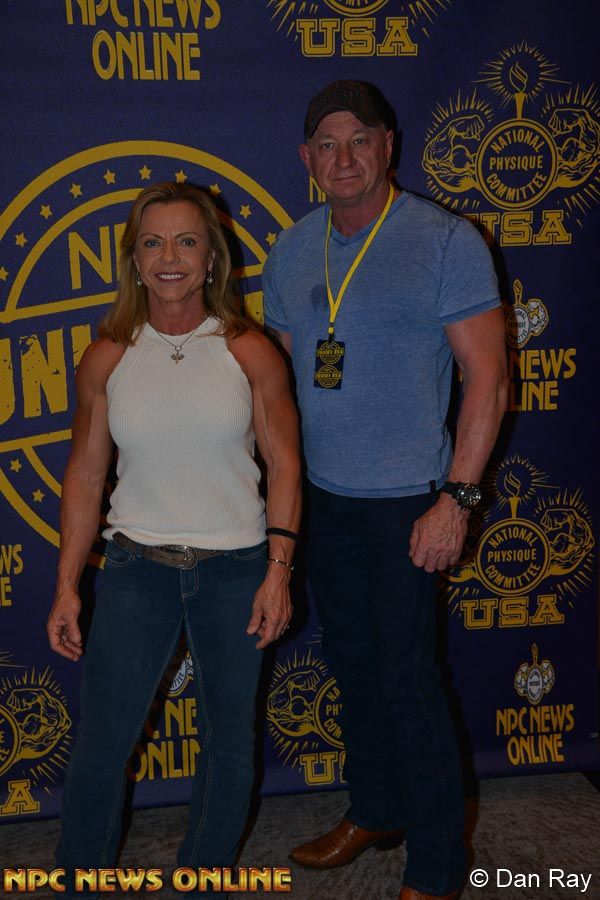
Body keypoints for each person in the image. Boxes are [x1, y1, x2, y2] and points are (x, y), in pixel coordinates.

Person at [262, 80, 508, 900]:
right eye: (327, 145)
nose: (343, 158)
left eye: (358, 140)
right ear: (306, 159)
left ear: (388, 146)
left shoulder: (445, 240)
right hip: (321, 498)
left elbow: (488, 378)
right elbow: (277, 387)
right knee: (351, 666)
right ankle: (375, 809)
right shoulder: (292, 249)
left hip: (409, 499)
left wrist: (457, 502)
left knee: (407, 684)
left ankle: (437, 869)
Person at [47, 181, 301, 894]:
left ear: (212, 257)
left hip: (237, 570)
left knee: (229, 744)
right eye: (153, 242)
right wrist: (67, 585)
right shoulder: (107, 357)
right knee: (102, 744)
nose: (169, 258)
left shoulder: (250, 352)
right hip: (136, 571)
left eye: (186, 241)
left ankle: (202, 877)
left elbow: (285, 465)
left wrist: (278, 571)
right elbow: (84, 476)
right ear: (133, 259)